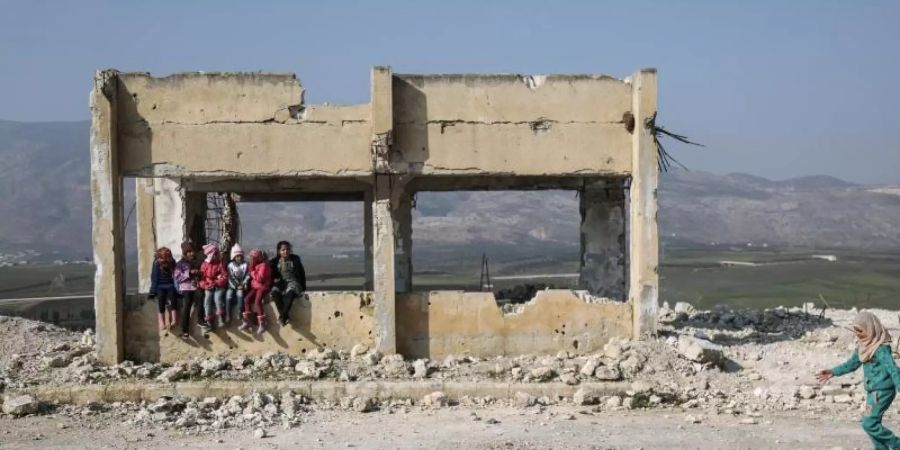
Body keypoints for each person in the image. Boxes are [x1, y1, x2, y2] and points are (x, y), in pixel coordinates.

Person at [817, 311, 900, 449]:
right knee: (871, 423)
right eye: (856, 331)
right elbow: (852, 364)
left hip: (882, 392)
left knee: (869, 423)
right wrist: (833, 372)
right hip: (872, 391)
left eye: (861, 331)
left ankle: (896, 444)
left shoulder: (880, 349)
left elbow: (893, 368)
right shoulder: (863, 347)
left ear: (870, 328)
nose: (858, 334)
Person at [269, 240, 306, 326]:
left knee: (290, 293)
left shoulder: (295, 259)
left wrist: (303, 287)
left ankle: (282, 317)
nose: (285, 251)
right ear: (279, 251)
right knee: (274, 293)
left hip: (294, 281)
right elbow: (272, 275)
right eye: (283, 250)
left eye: (287, 249)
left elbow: (302, 273)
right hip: (281, 283)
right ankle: (285, 316)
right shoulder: (275, 262)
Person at [240, 248, 272, 334]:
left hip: (262, 287)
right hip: (255, 287)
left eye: (252, 258)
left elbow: (260, 278)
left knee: (257, 302)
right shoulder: (255, 265)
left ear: (257, 258)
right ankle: (247, 320)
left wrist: (252, 272)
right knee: (246, 299)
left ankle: (262, 323)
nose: (251, 260)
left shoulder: (264, 265)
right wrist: (252, 268)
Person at [174, 242, 202, 339]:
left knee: (201, 299)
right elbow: (177, 276)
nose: (191, 253)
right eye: (188, 252)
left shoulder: (197, 262)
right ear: (185, 253)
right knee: (187, 307)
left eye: (192, 251)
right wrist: (189, 273)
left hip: (196, 287)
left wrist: (198, 273)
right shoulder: (180, 264)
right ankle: (184, 330)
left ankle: (201, 321)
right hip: (186, 288)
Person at [148, 247, 178, 334]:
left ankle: (174, 319)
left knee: (173, 297)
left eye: (166, 257)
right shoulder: (156, 263)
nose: (164, 259)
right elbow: (154, 277)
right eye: (162, 257)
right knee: (161, 299)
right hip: (160, 286)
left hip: (170, 284)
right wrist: (152, 291)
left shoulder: (172, 262)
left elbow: (175, 275)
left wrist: (178, 289)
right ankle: (162, 322)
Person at [199, 243, 228, 331]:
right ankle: (209, 322)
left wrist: (216, 282)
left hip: (219, 286)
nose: (216, 255)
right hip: (208, 286)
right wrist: (205, 285)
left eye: (217, 253)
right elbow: (201, 278)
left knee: (217, 298)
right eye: (214, 254)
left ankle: (220, 318)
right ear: (210, 255)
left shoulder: (220, 263)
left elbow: (225, 276)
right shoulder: (204, 264)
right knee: (207, 301)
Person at [225, 244, 249, 325]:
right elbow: (230, 277)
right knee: (228, 295)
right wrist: (236, 285)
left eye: (240, 256)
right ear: (234, 257)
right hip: (232, 285)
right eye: (237, 256)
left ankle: (239, 312)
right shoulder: (230, 265)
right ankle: (228, 314)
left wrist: (243, 284)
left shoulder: (245, 264)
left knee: (240, 294)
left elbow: (247, 275)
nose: (239, 258)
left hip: (241, 285)